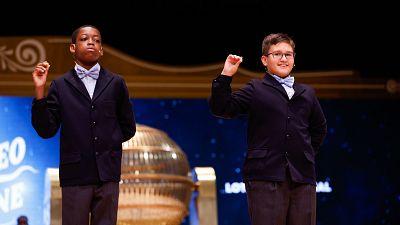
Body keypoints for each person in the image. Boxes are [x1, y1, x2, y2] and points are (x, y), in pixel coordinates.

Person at [209, 33, 327, 225]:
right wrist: (225, 76)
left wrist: (305, 154)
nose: (283, 59)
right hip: (264, 175)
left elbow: (319, 129)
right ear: (265, 60)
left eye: (288, 54)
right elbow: (222, 108)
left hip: (302, 177)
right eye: (277, 54)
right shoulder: (256, 89)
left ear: (294, 59)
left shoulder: (307, 93)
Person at [31, 25, 136, 225]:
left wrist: (106, 146)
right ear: (72, 47)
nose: (91, 42)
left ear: (102, 49)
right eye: (85, 39)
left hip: (107, 173)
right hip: (75, 173)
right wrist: (39, 90)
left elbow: (128, 127)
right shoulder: (60, 85)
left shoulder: (116, 83)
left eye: (96, 40)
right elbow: (46, 130)